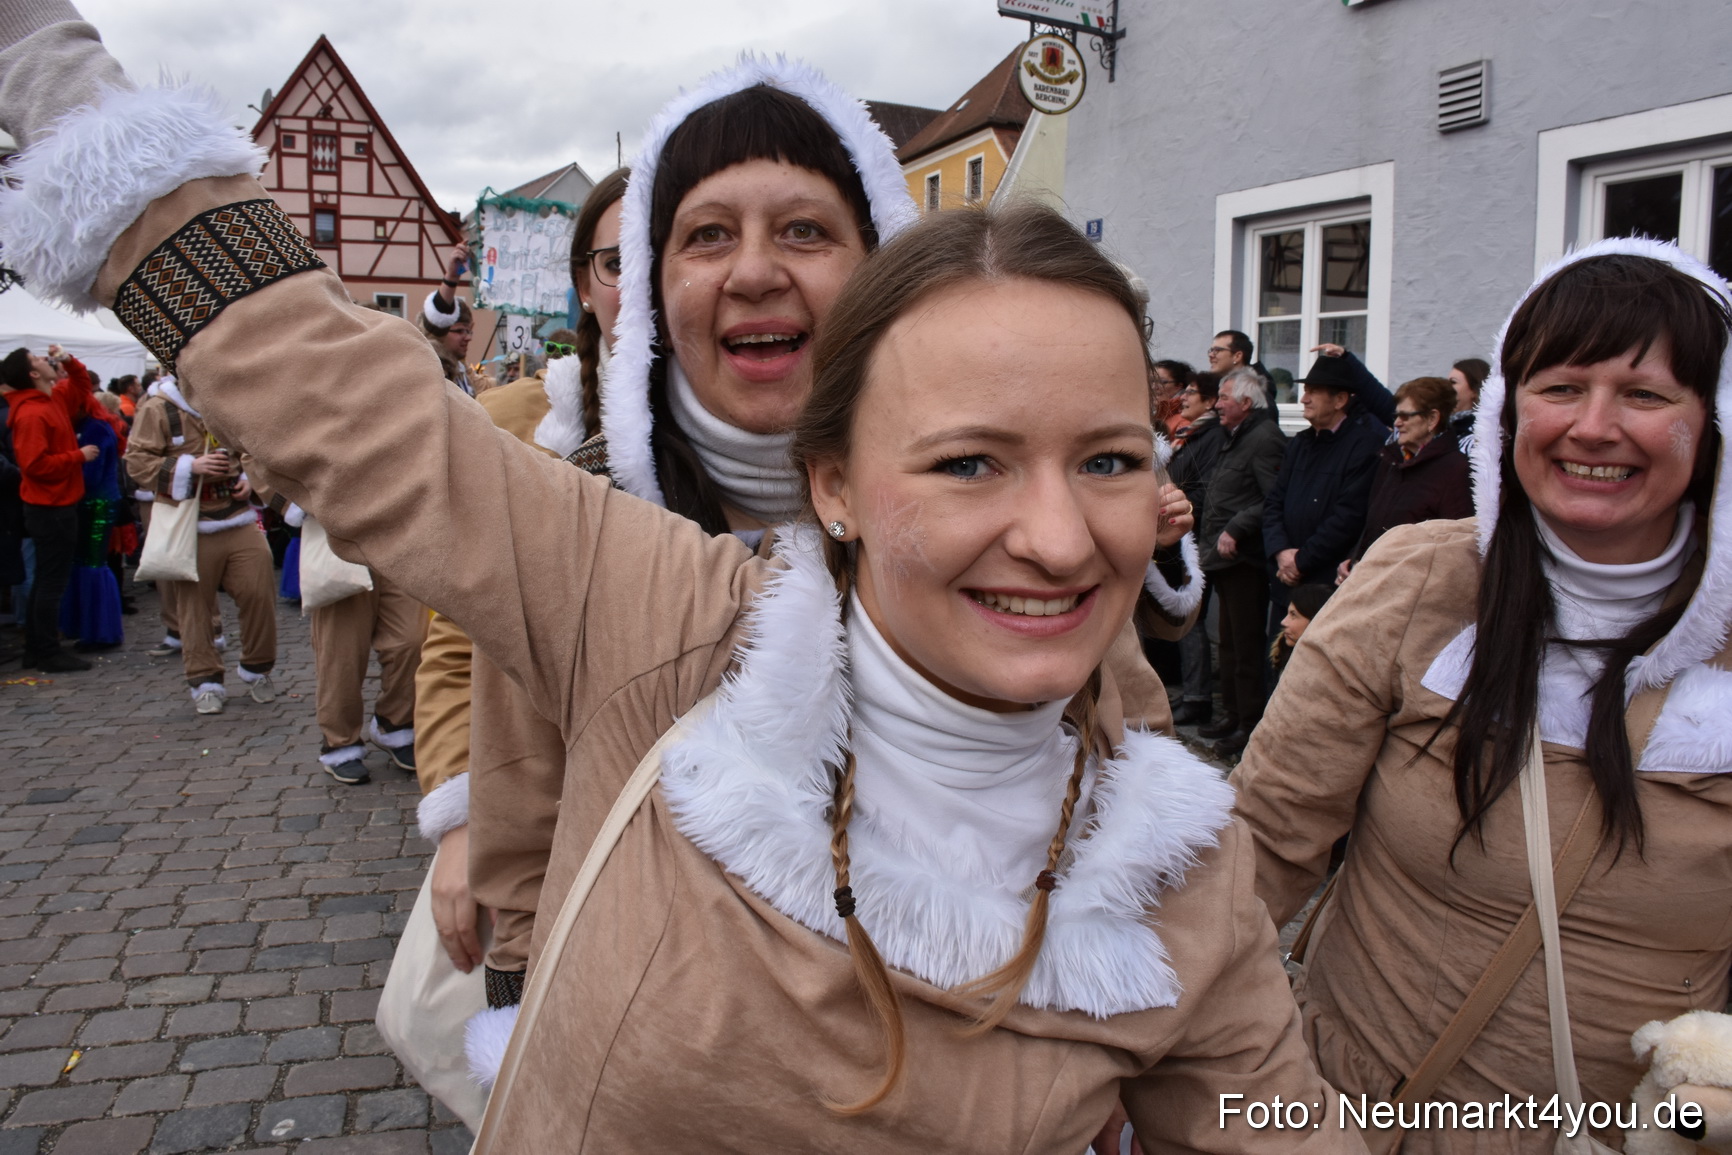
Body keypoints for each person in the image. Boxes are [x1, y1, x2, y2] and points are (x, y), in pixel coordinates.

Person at [1231, 239, 1732, 1152]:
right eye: (1561, 387)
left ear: (1716, 424)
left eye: (1647, 394)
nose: (1593, 425)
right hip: (1353, 1119)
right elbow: (1258, 844)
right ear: (1507, 414)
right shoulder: (1423, 581)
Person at [411, 166, 630, 975]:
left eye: (663, 250)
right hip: (543, 810)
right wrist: (464, 818)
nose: (638, 284)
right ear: (584, 280)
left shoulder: (752, 417)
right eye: (615, 262)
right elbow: (456, 637)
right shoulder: (514, 419)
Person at [123, 375, 278, 714]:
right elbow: (136, 462)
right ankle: (204, 680)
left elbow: (256, 450)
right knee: (194, 608)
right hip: (190, 523)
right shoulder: (158, 408)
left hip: (238, 517)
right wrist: (189, 466)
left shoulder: (227, 397)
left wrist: (248, 481)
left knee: (259, 593)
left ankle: (257, 668)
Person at [1195, 367, 1286, 756]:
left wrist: (1236, 527)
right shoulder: (1237, 436)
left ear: (1246, 403)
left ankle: (1249, 724)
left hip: (1243, 558)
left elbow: (1273, 498)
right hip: (1221, 553)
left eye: (1224, 398)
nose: (1217, 405)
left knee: (1245, 647)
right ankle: (1231, 713)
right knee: (1229, 644)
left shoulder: (1265, 439)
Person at [1262, 352, 1387, 626]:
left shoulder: (1364, 446)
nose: (1304, 398)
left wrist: (1301, 561)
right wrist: (1280, 551)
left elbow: (1348, 517)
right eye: (1305, 391)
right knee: (1277, 660)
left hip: (1322, 584)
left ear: (1340, 400)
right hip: (1285, 579)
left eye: (1314, 392)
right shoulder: (1299, 443)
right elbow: (1273, 502)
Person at [2, 345, 102, 671]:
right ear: (32, 374)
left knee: (48, 580)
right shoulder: (32, 412)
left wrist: (69, 361)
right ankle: (45, 650)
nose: (43, 359)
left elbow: (82, 386)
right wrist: (78, 456)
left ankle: (38, 648)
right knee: (50, 582)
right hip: (50, 509)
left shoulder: (51, 399)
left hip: (56, 505)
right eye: (36, 360)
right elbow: (32, 465)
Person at [1338, 375, 1473, 582]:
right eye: (1396, 415)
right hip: (1372, 580)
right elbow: (1374, 522)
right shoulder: (1391, 459)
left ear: (1432, 419)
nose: (1397, 423)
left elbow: (1455, 548)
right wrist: (1355, 558)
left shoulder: (1455, 469)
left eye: (1405, 416)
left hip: (1411, 591)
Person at [1166, 372, 1226, 726]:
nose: (1183, 397)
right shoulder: (1191, 435)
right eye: (1185, 389)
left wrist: (1177, 515)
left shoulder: (1211, 437)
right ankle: (1191, 693)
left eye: (1192, 392)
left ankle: (1197, 697)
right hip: (1181, 538)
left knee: (1192, 619)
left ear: (1210, 401)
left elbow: (1202, 492)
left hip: (1193, 540)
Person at [422, 245, 495, 398]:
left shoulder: (462, 368)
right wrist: (451, 278)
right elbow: (438, 315)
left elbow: (486, 389)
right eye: (460, 330)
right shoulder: (430, 369)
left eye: (468, 331)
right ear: (440, 331)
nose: (468, 337)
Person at [1269, 581, 1332, 681]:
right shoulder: (1282, 653)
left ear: (1315, 620)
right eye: (1288, 613)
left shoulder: (1329, 673)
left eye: (1293, 615)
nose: (1283, 622)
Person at [1206, 328, 1277, 404]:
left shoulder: (1257, 390)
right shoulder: (1212, 386)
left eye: (1217, 350)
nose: (1211, 355)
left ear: (1237, 356)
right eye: (1211, 350)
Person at [1448, 355, 1490, 452]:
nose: (1446, 387)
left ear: (1475, 391)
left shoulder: (1482, 432)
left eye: (1453, 382)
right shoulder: (1445, 428)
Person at [1151, 358, 1193, 438]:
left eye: (1162, 382)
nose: (1154, 387)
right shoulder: (1151, 415)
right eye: (1151, 381)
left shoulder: (1185, 419)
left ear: (1179, 386)